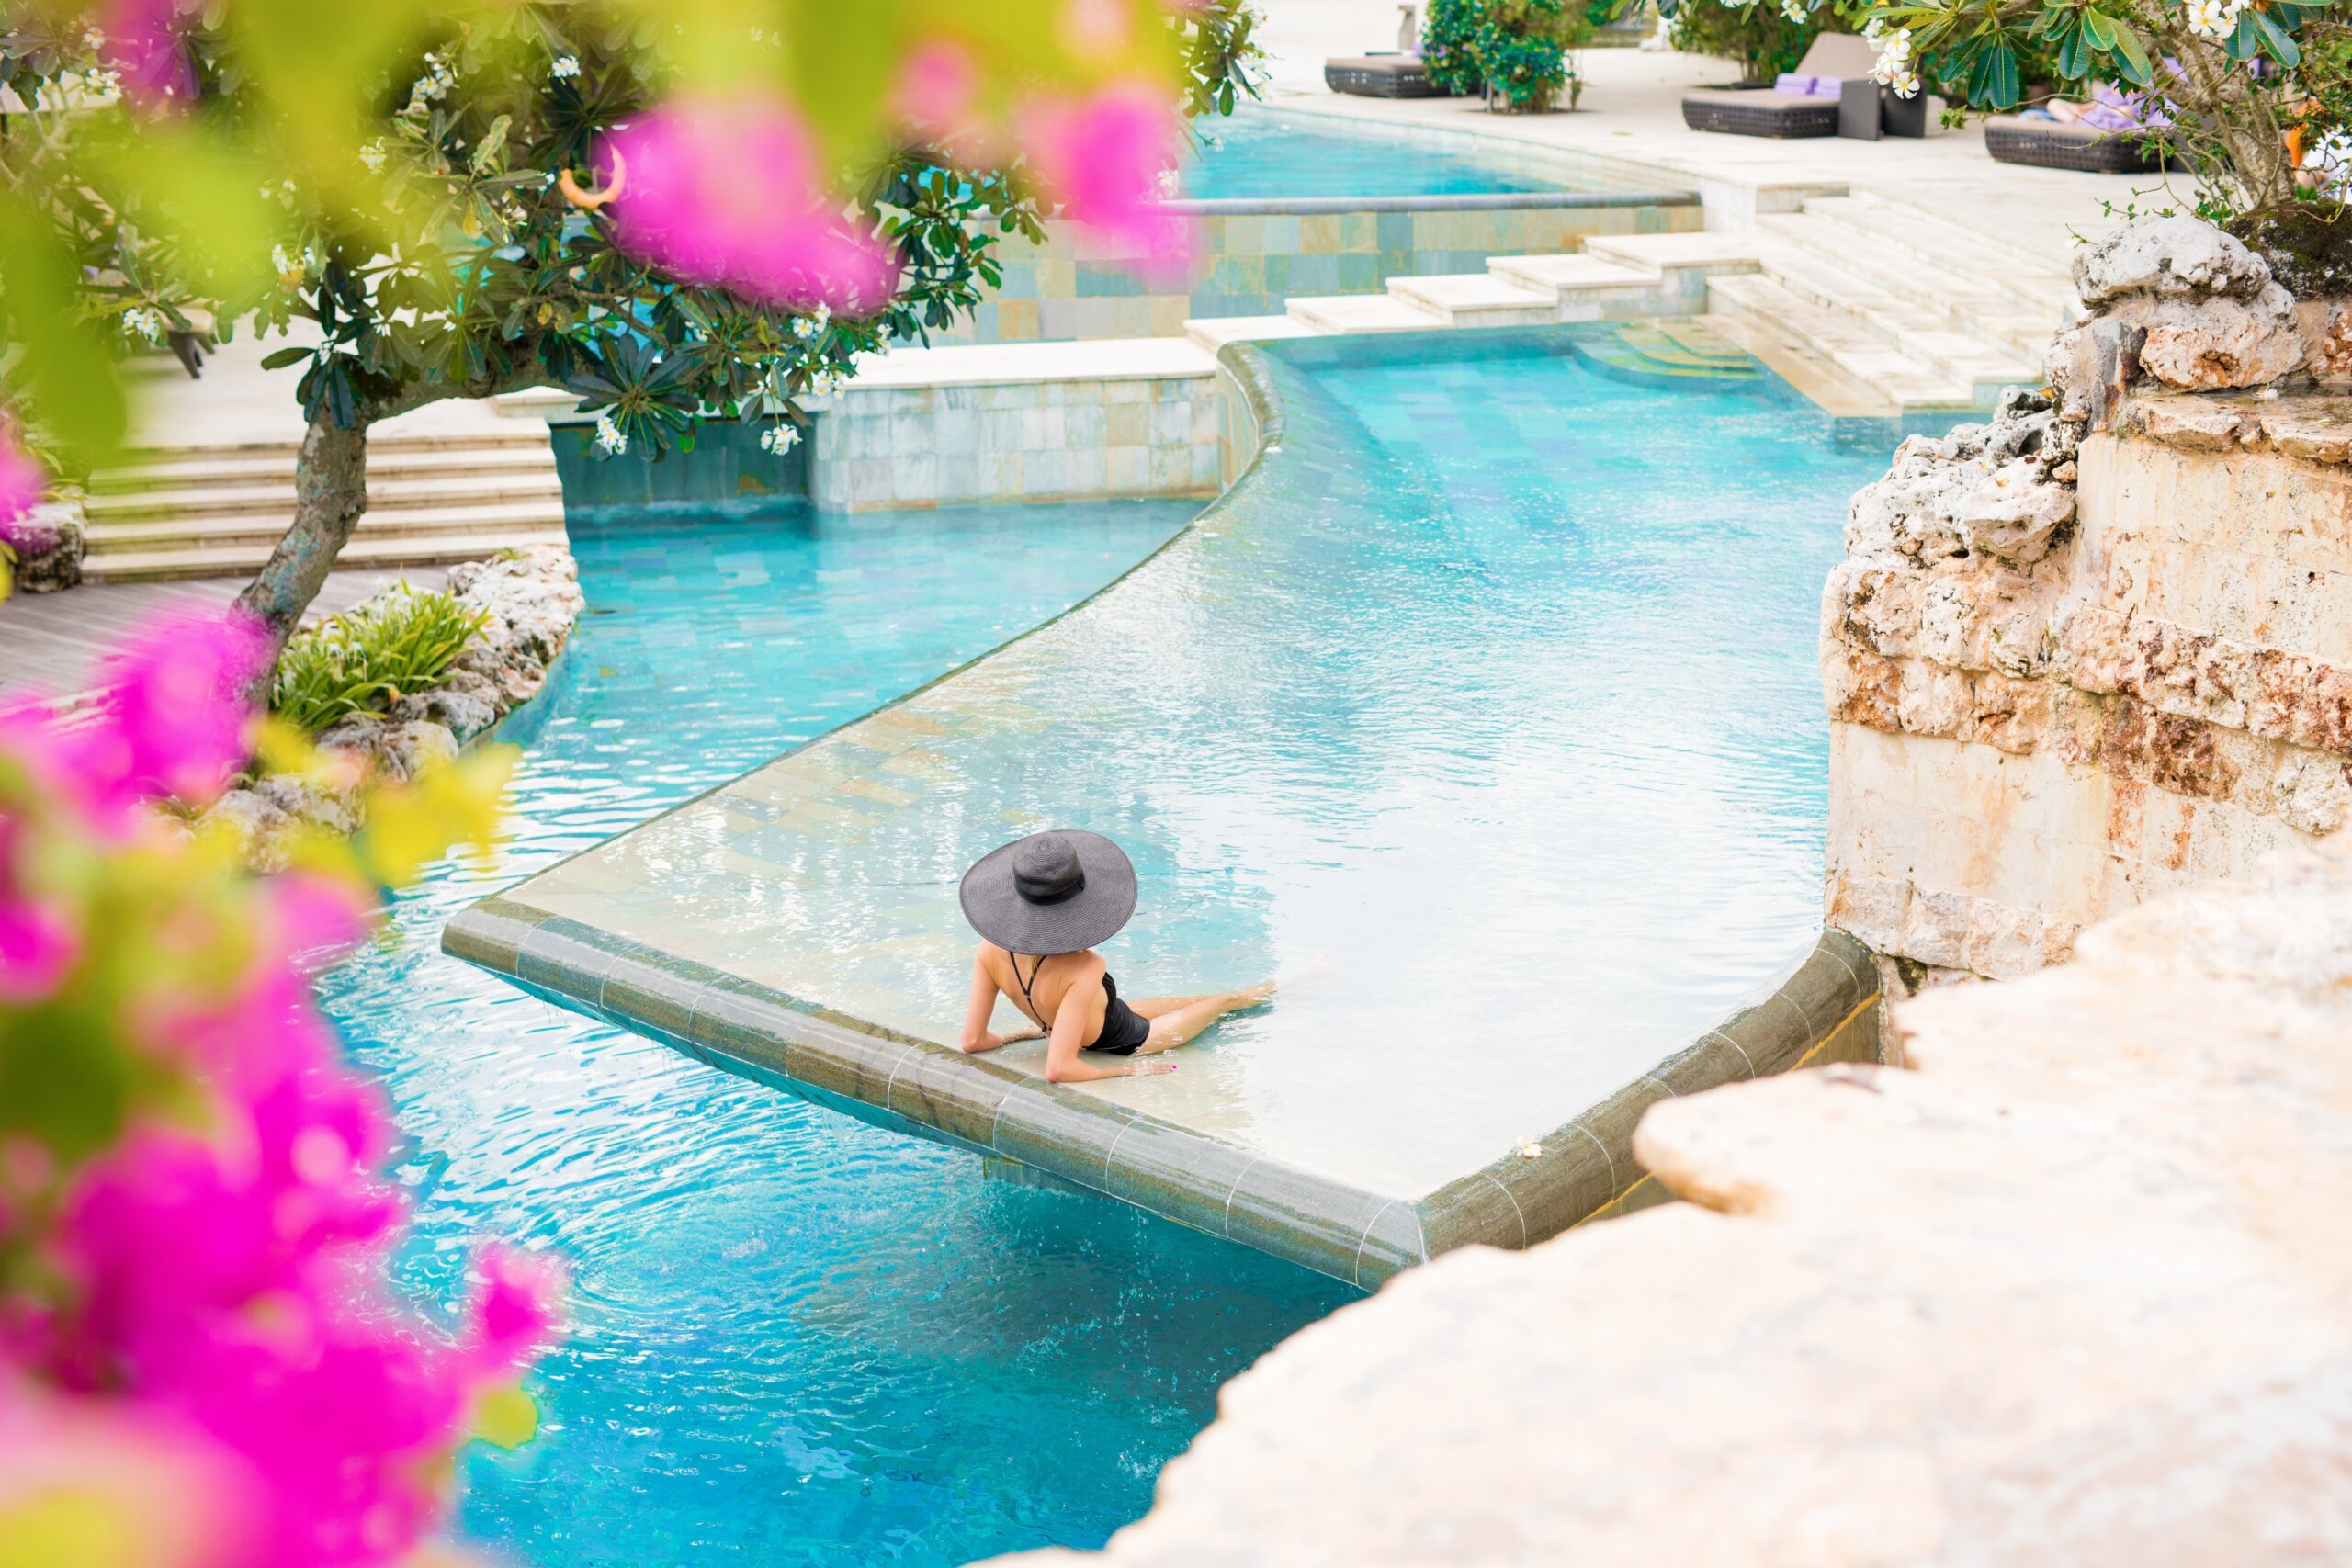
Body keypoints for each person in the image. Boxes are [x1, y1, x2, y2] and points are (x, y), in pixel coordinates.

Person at [956, 829, 1273, 1082]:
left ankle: (1275, 989)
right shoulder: (1086, 966)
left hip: (1111, 1017)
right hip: (1129, 1041)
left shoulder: (988, 950)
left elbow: (973, 1041)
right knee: (1226, 1001)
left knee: (1199, 999)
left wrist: (1015, 1035)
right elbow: (1059, 1069)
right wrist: (1124, 1071)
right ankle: (1283, 987)